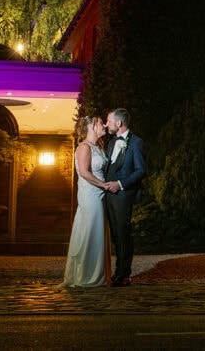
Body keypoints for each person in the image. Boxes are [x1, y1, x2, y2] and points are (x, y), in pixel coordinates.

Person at [60, 115, 110, 287]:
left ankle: (95, 273)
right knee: (90, 230)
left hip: (100, 194)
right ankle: (86, 275)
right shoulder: (84, 147)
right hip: (90, 194)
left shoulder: (98, 147)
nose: (104, 125)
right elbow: (84, 172)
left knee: (97, 230)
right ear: (91, 127)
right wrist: (103, 185)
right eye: (100, 123)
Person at [104, 108, 146, 287]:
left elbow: (141, 170)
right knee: (115, 235)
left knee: (123, 234)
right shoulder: (111, 143)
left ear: (119, 123)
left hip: (123, 195)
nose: (106, 124)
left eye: (109, 121)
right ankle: (118, 271)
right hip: (109, 196)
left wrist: (120, 184)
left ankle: (124, 274)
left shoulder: (136, 143)